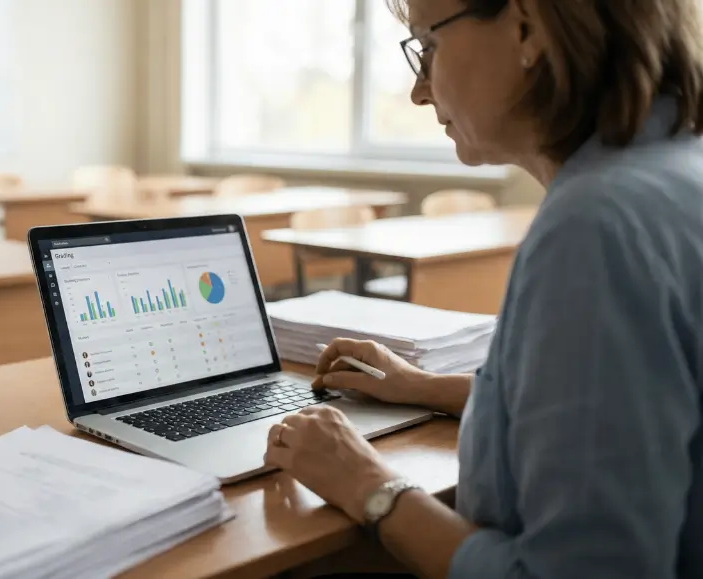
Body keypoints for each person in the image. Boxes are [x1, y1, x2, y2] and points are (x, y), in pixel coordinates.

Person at [263, 0, 703, 577]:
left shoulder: (595, 225)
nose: (420, 93)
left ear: (526, 27)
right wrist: (422, 386)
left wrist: (368, 483)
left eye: (428, 46)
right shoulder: (674, 169)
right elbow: (616, 412)